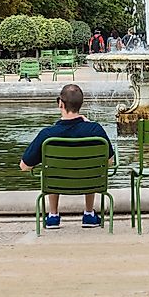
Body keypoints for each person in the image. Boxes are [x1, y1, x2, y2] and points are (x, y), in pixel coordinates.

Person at [20, 84, 115, 229]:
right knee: (91, 166)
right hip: (88, 181)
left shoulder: (48, 135)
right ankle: (89, 214)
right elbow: (109, 161)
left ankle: (53, 216)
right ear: (81, 104)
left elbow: (24, 166)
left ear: (60, 103)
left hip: (57, 182)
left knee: (50, 168)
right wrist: (89, 124)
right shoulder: (95, 130)